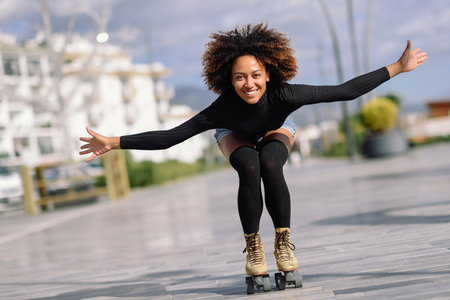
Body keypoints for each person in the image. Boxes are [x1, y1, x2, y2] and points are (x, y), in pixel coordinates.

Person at [79, 23, 427, 278]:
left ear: (268, 72)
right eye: (240, 78)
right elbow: (171, 136)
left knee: (271, 165)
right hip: (234, 132)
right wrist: (113, 142)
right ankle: (254, 247)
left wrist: (397, 67)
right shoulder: (222, 109)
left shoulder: (284, 94)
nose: (250, 84)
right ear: (228, 81)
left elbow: (345, 91)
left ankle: (283, 242)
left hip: (277, 127)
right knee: (250, 167)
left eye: (256, 75)